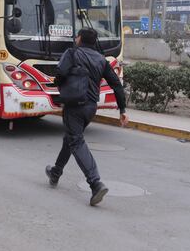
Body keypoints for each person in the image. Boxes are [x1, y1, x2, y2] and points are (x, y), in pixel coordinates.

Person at [45, 27, 128, 206]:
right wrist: (122, 110)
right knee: (70, 138)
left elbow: (59, 74)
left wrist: (59, 86)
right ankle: (56, 172)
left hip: (74, 106)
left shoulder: (72, 53)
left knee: (76, 141)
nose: (75, 39)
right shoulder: (101, 60)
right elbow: (117, 85)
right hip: (90, 108)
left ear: (80, 39)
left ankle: (95, 183)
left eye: (77, 37)